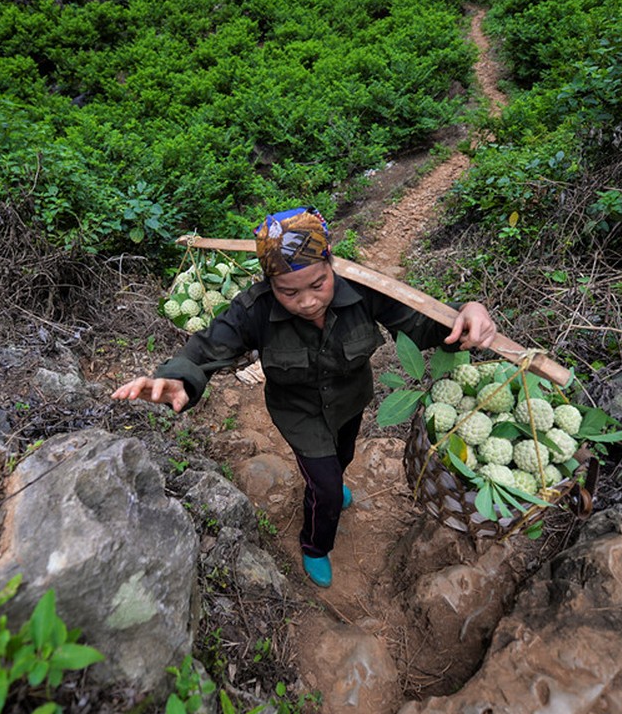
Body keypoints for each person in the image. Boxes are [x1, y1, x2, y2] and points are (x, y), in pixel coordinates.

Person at [111, 207, 497, 587]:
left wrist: (467, 312)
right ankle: (315, 544)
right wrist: (178, 378)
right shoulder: (253, 310)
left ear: (331, 264)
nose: (308, 301)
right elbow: (207, 348)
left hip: (349, 400)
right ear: (269, 283)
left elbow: (419, 324)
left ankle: (329, 486)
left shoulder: (364, 290)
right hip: (298, 412)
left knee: (343, 456)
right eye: (288, 292)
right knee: (326, 488)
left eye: (318, 285)